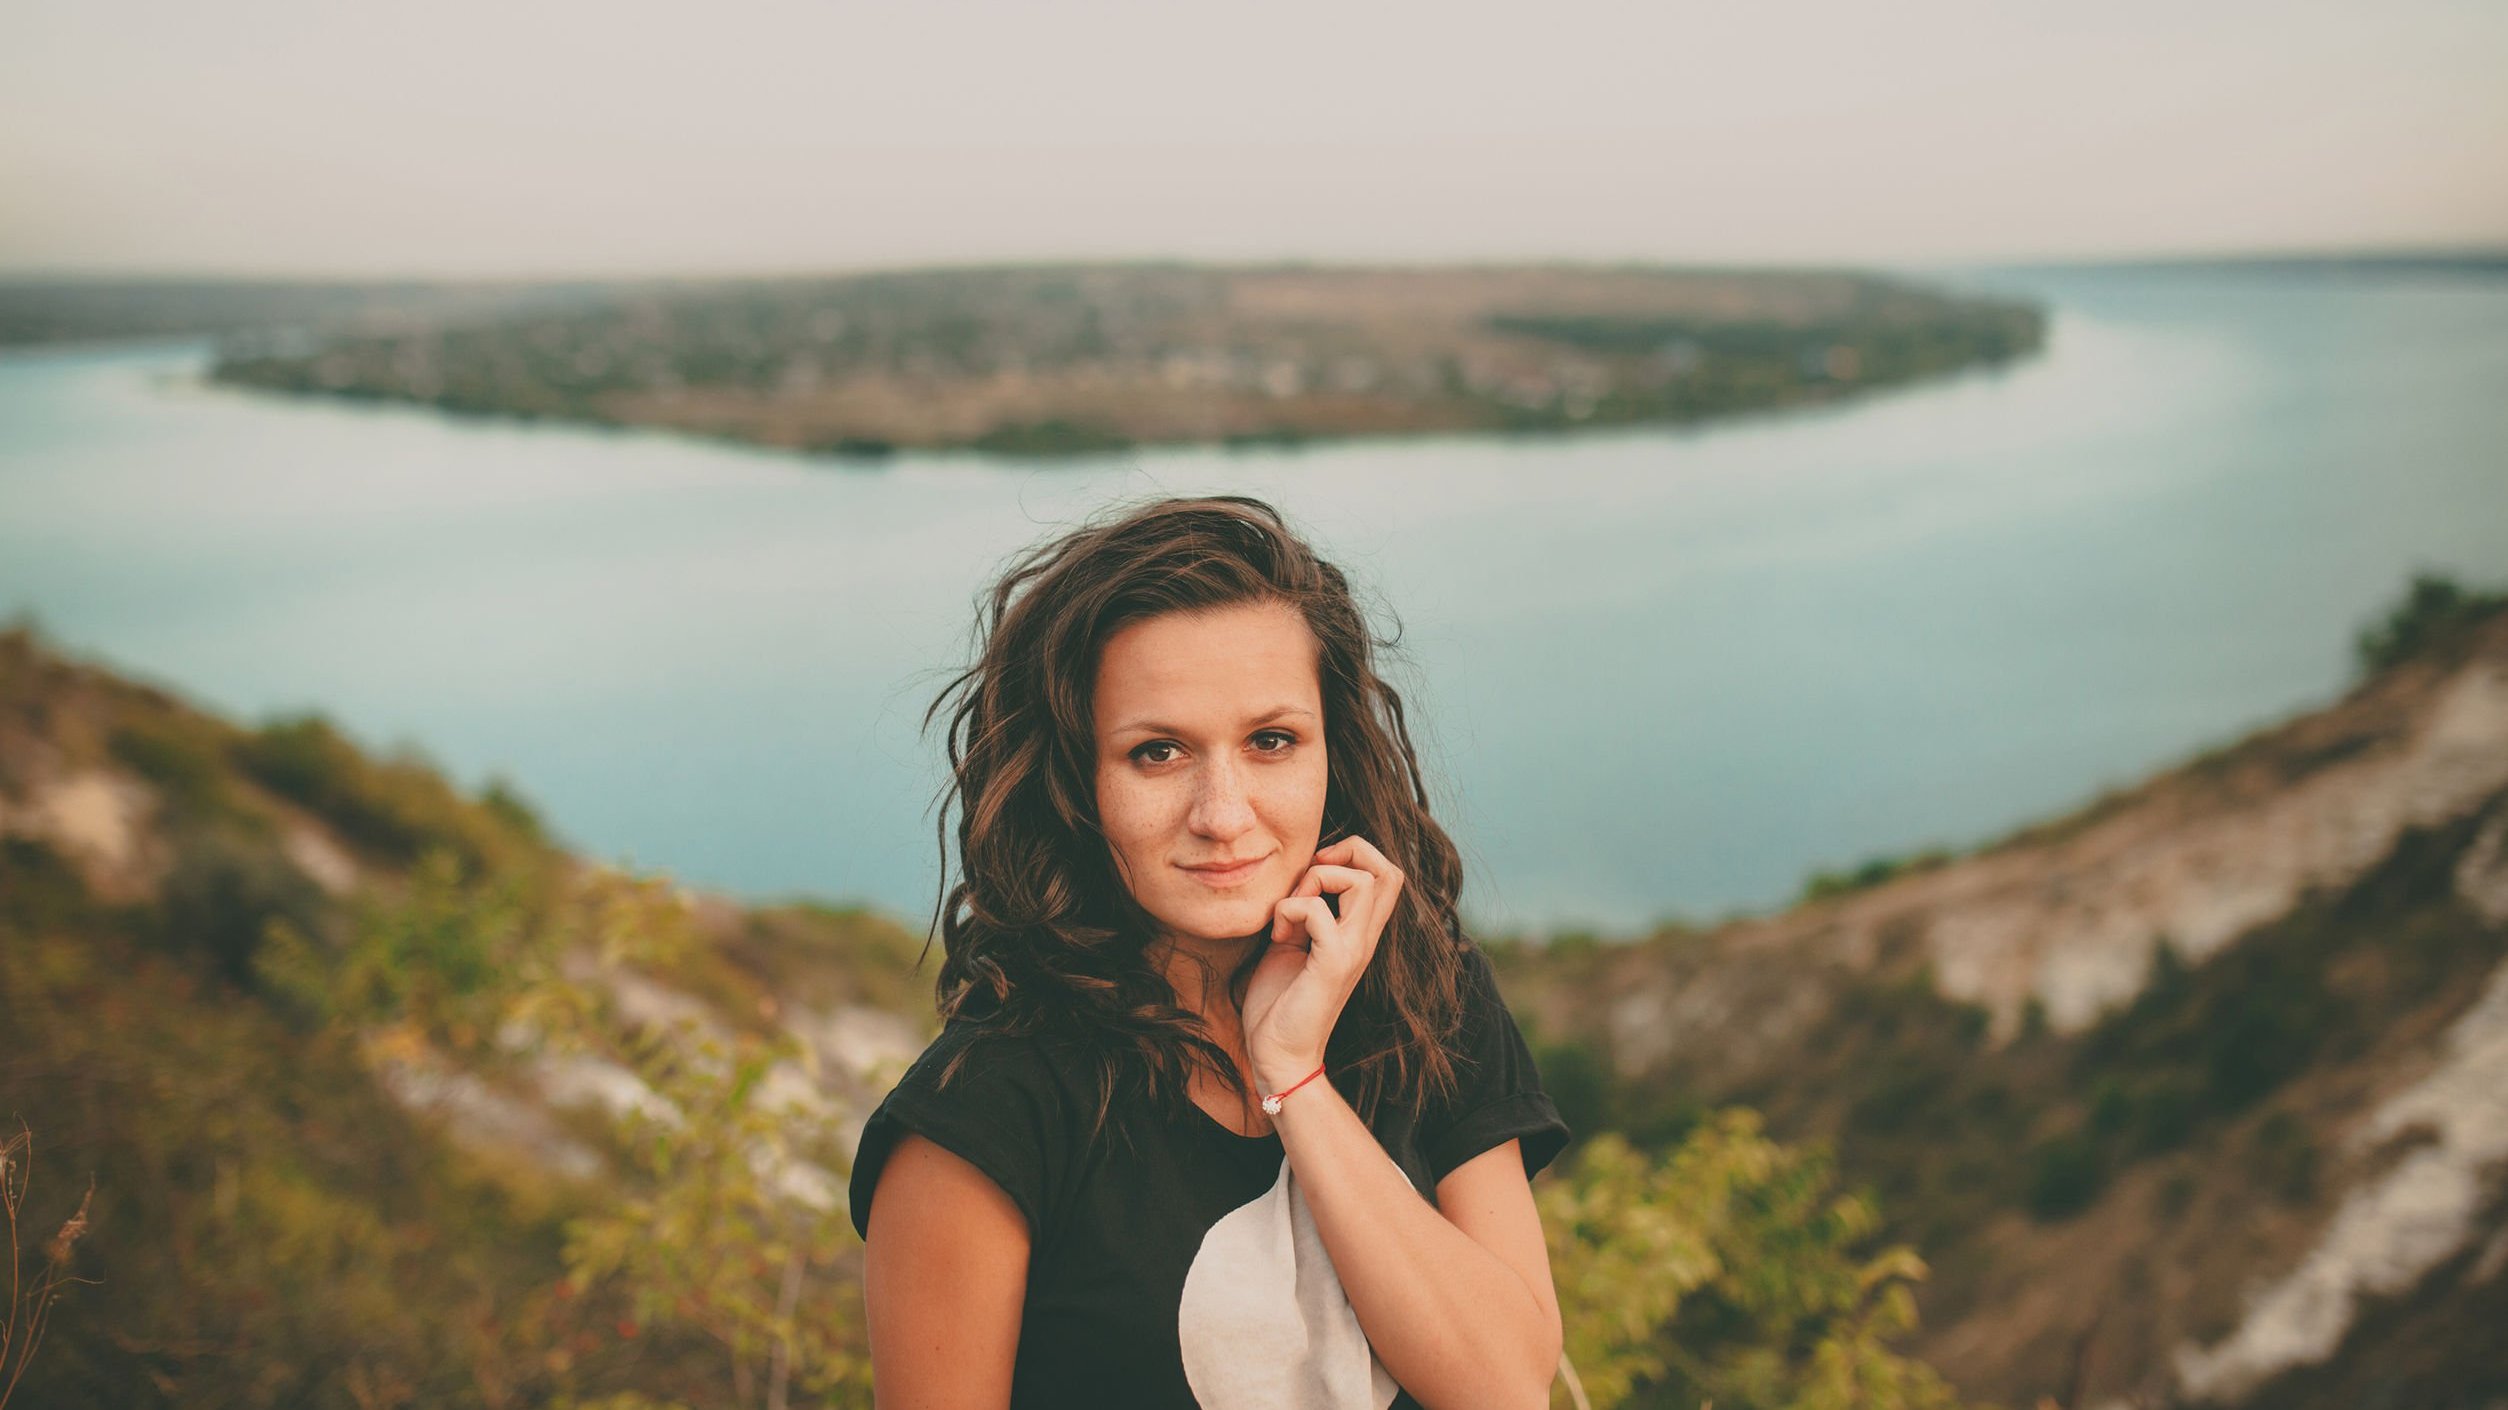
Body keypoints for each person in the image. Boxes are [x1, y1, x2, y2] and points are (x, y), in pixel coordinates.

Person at [848, 495, 1571, 1409]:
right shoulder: (985, 1120)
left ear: (1332, 753)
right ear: (1075, 782)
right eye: (1157, 753)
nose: (1223, 814)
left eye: (1272, 741)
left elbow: (1505, 1387)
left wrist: (1294, 1075)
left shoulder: (1428, 994)